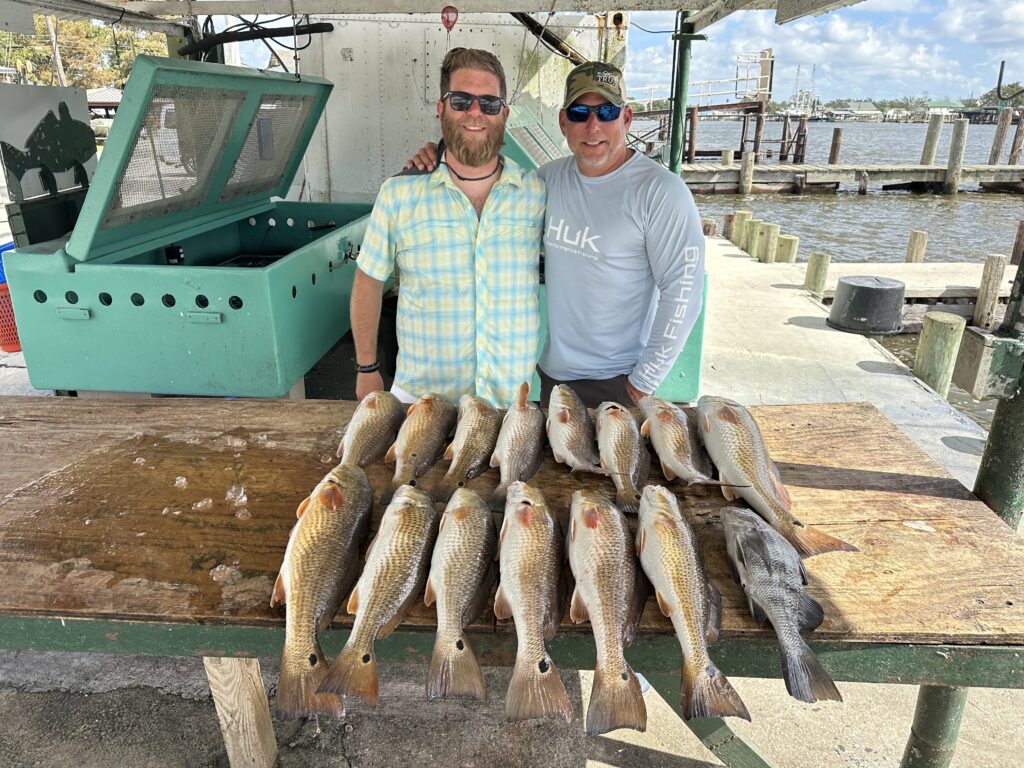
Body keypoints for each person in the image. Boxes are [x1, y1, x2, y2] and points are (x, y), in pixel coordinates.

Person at [408, 61, 705, 408]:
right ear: (564, 123)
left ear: (626, 119)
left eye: (606, 111)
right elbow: (482, 191)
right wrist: (441, 154)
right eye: (580, 112)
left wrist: (644, 381)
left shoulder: (661, 191)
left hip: (618, 382)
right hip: (554, 378)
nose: (593, 126)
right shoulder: (547, 179)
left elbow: (684, 290)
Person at [350, 48, 546, 409]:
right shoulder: (398, 193)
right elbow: (368, 280)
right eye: (461, 100)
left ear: (504, 113)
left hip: (509, 404)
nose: (475, 112)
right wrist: (367, 367)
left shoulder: (537, 191)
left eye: (489, 103)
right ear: (442, 109)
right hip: (421, 404)